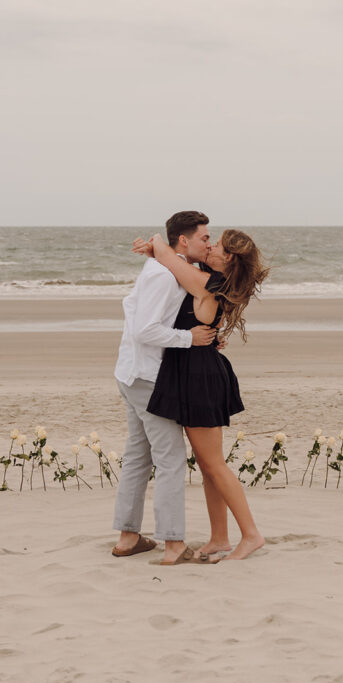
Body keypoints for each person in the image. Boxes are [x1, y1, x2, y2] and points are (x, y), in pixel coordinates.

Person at [134, 229, 269, 561]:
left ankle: (251, 535)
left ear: (230, 258)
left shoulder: (210, 283)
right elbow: (170, 264)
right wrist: (154, 252)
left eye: (218, 245)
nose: (210, 246)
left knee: (215, 465)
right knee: (209, 466)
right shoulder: (210, 278)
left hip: (199, 376)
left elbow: (169, 258)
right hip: (195, 371)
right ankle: (220, 538)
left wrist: (156, 242)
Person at [112, 211, 216, 565]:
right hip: (146, 378)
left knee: (138, 457)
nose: (209, 242)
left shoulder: (164, 268)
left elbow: (132, 310)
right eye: (204, 237)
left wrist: (156, 247)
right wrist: (189, 338)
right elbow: (145, 329)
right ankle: (173, 544)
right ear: (184, 241)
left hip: (130, 372)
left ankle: (128, 538)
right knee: (171, 460)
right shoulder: (163, 275)